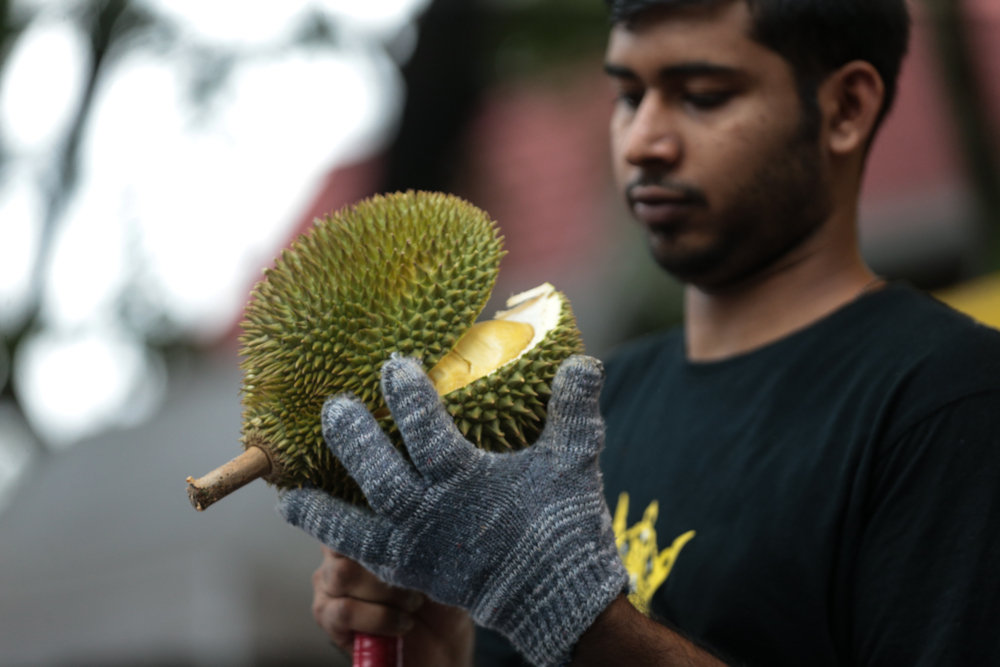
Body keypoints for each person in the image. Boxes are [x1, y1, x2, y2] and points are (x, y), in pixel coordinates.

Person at [281, 0, 1000, 665]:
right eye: (629, 95)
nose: (644, 141)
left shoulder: (949, 400)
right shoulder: (585, 407)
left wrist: (571, 611)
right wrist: (447, 649)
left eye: (703, 95)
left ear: (846, 107)